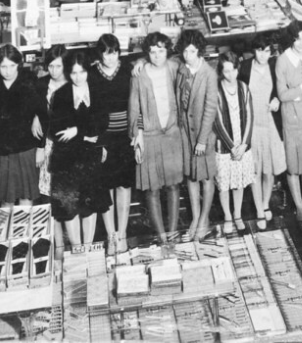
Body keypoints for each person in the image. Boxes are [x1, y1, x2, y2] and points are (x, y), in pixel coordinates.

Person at [44, 48, 110, 247]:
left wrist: (77, 130)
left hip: (89, 157)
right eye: (73, 73)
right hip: (67, 160)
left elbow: (102, 122)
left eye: (82, 72)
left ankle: (88, 248)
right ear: (67, 73)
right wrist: (87, 134)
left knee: (89, 205)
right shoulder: (61, 94)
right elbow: (56, 130)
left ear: (88, 71)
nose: (78, 77)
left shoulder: (97, 89)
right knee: (69, 207)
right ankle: (77, 249)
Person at [128, 32, 184, 240]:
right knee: (152, 188)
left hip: (171, 134)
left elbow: (188, 59)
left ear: (167, 51)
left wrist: (140, 59)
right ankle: (161, 235)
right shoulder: (139, 75)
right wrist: (137, 137)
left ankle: (173, 230)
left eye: (161, 51)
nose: (157, 55)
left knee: (173, 185)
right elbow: (134, 109)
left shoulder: (174, 67)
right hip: (149, 136)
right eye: (152, 52)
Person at [0, 45, 46, 207]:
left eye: (12, 66)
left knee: (26, 197)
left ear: (19, 65)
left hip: (25, 148)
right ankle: (7, 233)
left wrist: (41, 147)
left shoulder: (29, 78)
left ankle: (24, 233)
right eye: (3, 66)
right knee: (5, 199)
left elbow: (44, 110)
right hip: (0, 149)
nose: (8, 71)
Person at [88, 34, 135, 249]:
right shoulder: (91, 74)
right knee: (106, 186)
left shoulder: (128, 70)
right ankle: (111, 235)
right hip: (103, 138)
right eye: (106, 53)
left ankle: (123, 233)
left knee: (123, 186)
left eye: (114, 53)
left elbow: (136, 103)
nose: (111, 58)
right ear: (100, 54)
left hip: (125, 137)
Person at [174, 30, 218, 241]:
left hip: (203, 135)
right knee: (191, 176)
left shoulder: (209, 74)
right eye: (185, 50)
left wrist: (202, 140)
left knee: (206, 177)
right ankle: (195, 217)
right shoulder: (182, 68)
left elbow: (210, 109)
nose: (188, 55)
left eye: (192, 51)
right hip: (185, 133)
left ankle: (204, 219)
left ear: (199, 52)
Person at [275, 21, 302, 231]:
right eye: (298, 38)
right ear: (291, 38)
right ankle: (300, 208)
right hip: (291, 119)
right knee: (294, 165)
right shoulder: (282, 61)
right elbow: (282, 95)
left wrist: (300, 93)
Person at [239, 34, 286, 227]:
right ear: (254, 51)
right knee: (255, 169)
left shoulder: (275, 66)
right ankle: (259, 208)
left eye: (267, 51)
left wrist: (278, 99)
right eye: (259, 51)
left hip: (270, 124)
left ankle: (266, 203)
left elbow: (284, 88)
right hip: (252, 125)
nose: (263, 55)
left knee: (269, 169)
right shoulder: (245, 67)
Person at [214, 51, 255, 233]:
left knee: (238, 182)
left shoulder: (244, 88)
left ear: (238, 69)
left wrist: (244, 144)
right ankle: (227, 216)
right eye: (226, 71)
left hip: (242, 144)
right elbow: (217, 122)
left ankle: (237, 214)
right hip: (224, 147)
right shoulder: (215, 91)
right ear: (221, 72)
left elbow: (250, 116)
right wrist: (232, 147)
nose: (231, 75)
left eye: (233, 70)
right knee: (224, 184)